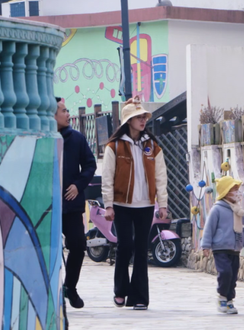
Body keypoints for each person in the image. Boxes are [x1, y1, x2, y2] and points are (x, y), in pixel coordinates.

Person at [101, 97, 168, 310]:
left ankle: (139, 296)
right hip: (121, 205)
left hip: (146, 205)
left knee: (141, 248)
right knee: (125, 246)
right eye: (138, 117)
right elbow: (107, 177)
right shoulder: (114, 146)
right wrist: (108, 204)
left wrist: (163, 204)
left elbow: (161, 177)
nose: (142, 120)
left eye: (144, 117)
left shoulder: (153, 146)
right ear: (128, 121)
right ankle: (120, 290)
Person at [54, 97, 97, 309]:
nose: (67, 114)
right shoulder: (42, 138)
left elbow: (90, 165)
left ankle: (70, 286)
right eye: (63, 111)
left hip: (71, 205)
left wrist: (78, 185)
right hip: (47, 207)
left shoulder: (77, 139)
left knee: (79, 245)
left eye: (67, 110)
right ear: (52, 115)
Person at [201, 176, 244, 315]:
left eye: (238, 189)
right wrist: (206, 245)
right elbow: (209, 228)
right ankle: (221, 297)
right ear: (225, 192)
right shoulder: (217, 209)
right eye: (234, 190)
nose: (238, 193)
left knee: (233, 276)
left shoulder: (239, 211)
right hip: (221, 248)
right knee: (225, 272)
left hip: (235, 249)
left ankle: (230, 300)